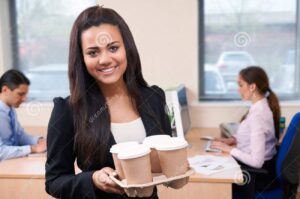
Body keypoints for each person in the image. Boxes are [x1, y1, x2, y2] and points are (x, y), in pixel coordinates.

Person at [45, 6, 172, 199]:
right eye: (93, 53)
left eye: (113, 48)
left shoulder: (154, 97)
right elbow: (54, 181)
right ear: (82, 58)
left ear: (127, 49)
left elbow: (164, 161)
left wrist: (175, 170)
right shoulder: (68, 110)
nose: (105, 59)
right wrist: (93, 179)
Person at [211, 66, 281, 198]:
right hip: (260, 171)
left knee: (213, 178)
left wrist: (229, 149)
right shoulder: (259, 106)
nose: (238, 89)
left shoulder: (258, 115)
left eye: (240, 84)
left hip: (257, 177)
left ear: (252, 87)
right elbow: (253, 134)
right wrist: (233, 140)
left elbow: (256, 161)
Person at [0, 69, 46, 161]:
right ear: (5, 90)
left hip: (11, 163)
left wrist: (39, 140)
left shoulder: (10, 110)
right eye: (20, 94)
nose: (24, 99)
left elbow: (20, 136)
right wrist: (32, 148)